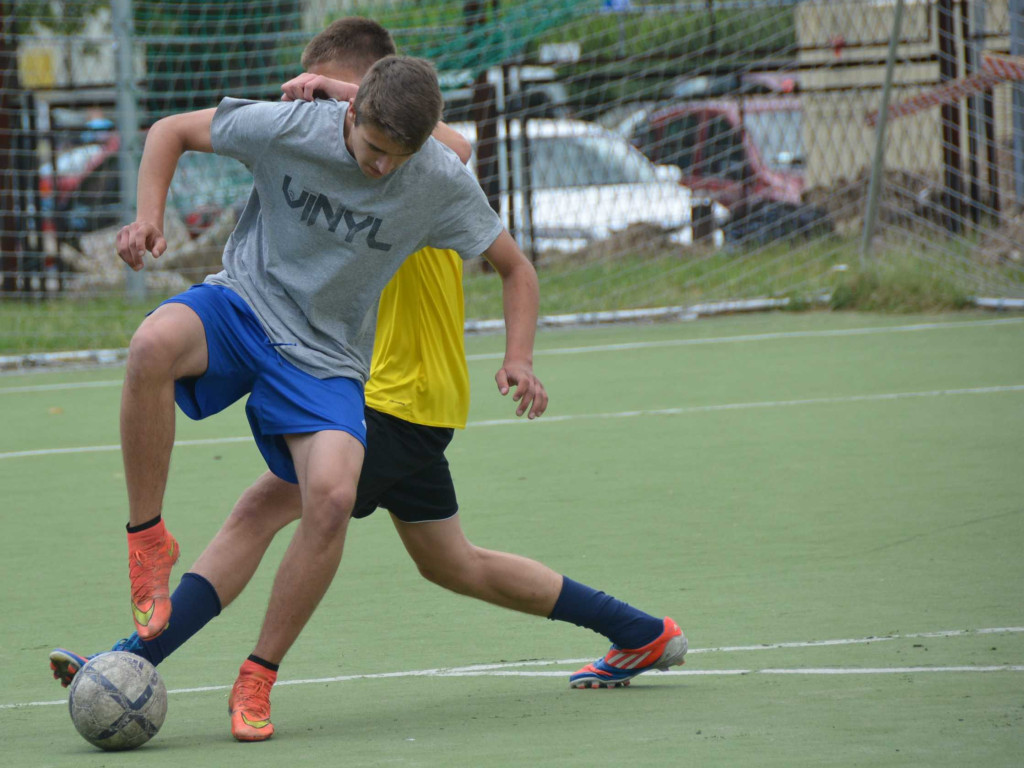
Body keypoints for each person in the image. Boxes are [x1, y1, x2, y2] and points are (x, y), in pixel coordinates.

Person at [50, 19, 686, 742]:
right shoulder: (340, 141)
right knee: (454, 563)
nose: (306, 96)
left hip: (391, 393)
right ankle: (643, 631)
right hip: (408, 399)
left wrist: (336, 92)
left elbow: (454, 150)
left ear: (358, 93)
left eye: (319, 83)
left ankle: (134, 661)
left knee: (261, 511)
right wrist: (330, 100)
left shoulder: (422, 166)